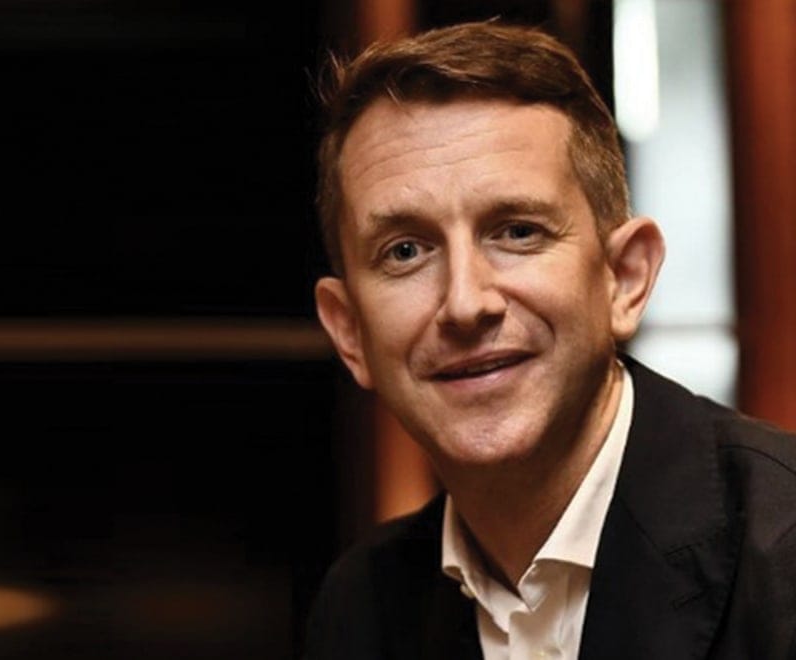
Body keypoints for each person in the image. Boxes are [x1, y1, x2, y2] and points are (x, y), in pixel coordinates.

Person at [306, 21, 796, 660]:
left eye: (517, 232)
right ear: (349, 333)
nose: (465, 304)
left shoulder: (783, 553)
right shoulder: (361, 609)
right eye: (406, 251)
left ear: (625, 278)